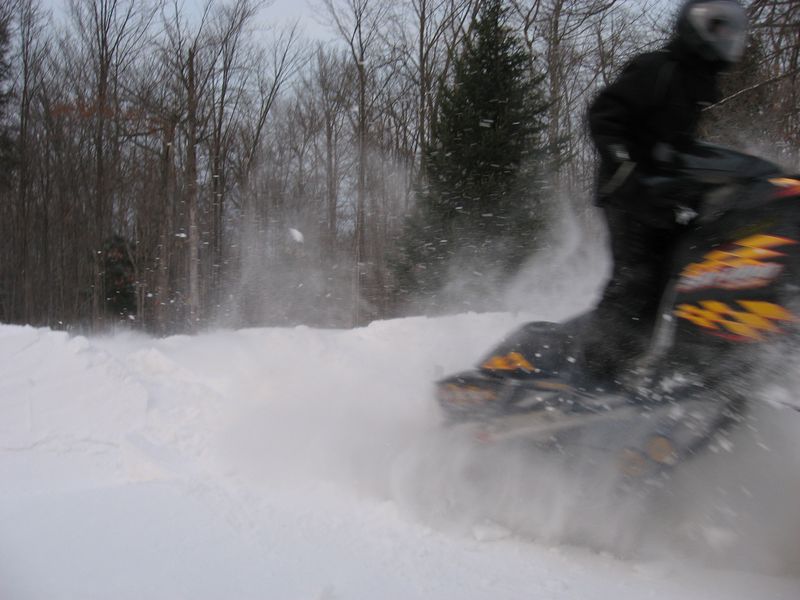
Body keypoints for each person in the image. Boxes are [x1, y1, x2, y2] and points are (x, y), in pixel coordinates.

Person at [582, 0, 749, 382]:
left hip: (660, 197)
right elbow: (603, 114)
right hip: (627, 191)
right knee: (635, 278)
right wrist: (624, 163)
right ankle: (595, 372)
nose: (728, 38)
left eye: (732, 31)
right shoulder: (657, 68)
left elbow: (677, 147)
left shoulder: (696, 83)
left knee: (670, 276)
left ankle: (634, 362)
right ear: (697, 28)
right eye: (720, 29)